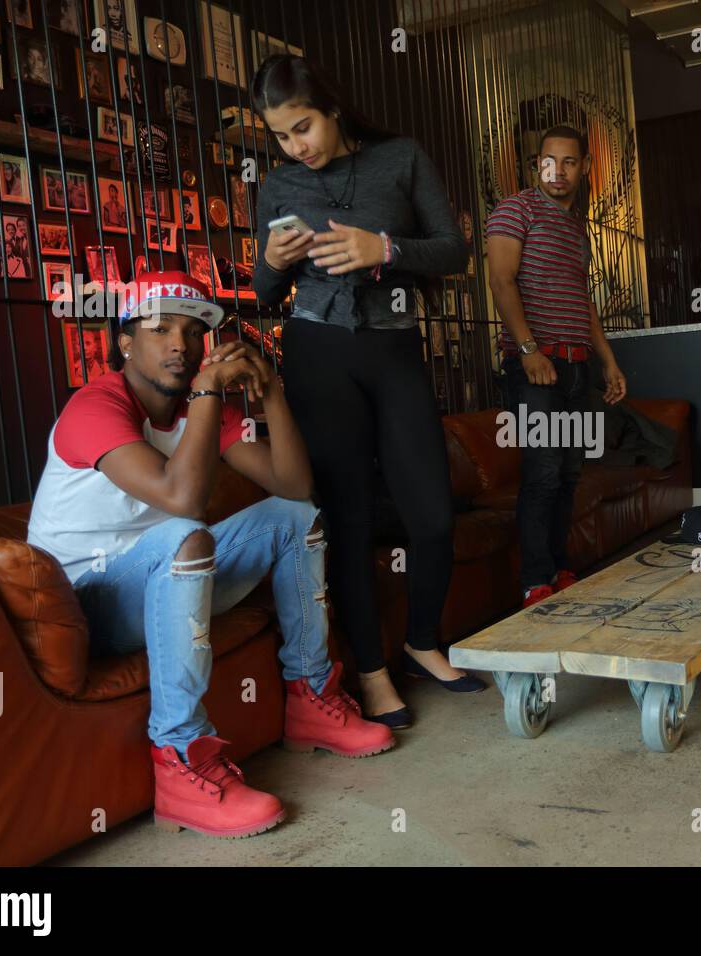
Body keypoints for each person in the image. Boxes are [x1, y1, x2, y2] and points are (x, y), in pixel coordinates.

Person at [26, 270, 393, 839]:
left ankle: (311, 697)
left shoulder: (200, 407)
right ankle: (179, 761)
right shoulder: (93, 406)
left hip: (168, 580)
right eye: (161, 329)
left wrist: (270, 388)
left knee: (295, 520)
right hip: (87, 606)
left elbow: (294, 486)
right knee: (185, 531)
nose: (182, 343)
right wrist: (207, 391)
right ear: (125, 342)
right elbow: (183, 498)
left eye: (194, 331)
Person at [251, 54, 482, 729]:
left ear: (332, 109)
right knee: (346, 519)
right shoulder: (279, 186)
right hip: (317, 353)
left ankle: (420, 643)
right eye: (283, 137)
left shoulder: (400, 158)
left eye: (304, 128)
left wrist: (384, 249)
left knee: (432, 513)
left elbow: (453, 251)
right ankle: (375, 674)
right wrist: (270, 264)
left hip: (395, 347)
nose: (297, 147)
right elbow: (269, 297)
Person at [485, 124, 627, 607]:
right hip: (535, 369)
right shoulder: (516, 209)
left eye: (569, 161)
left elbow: (581, 302)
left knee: (568, 475)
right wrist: (530, 352)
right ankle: (535, 581)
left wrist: (607, 362)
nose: (558, 170)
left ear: (585, 167)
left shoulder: (575, 227)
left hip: (576, 368)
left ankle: (560, 570)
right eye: (549, 160)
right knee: (543, 475)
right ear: (536, 165)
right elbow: (502, 282)